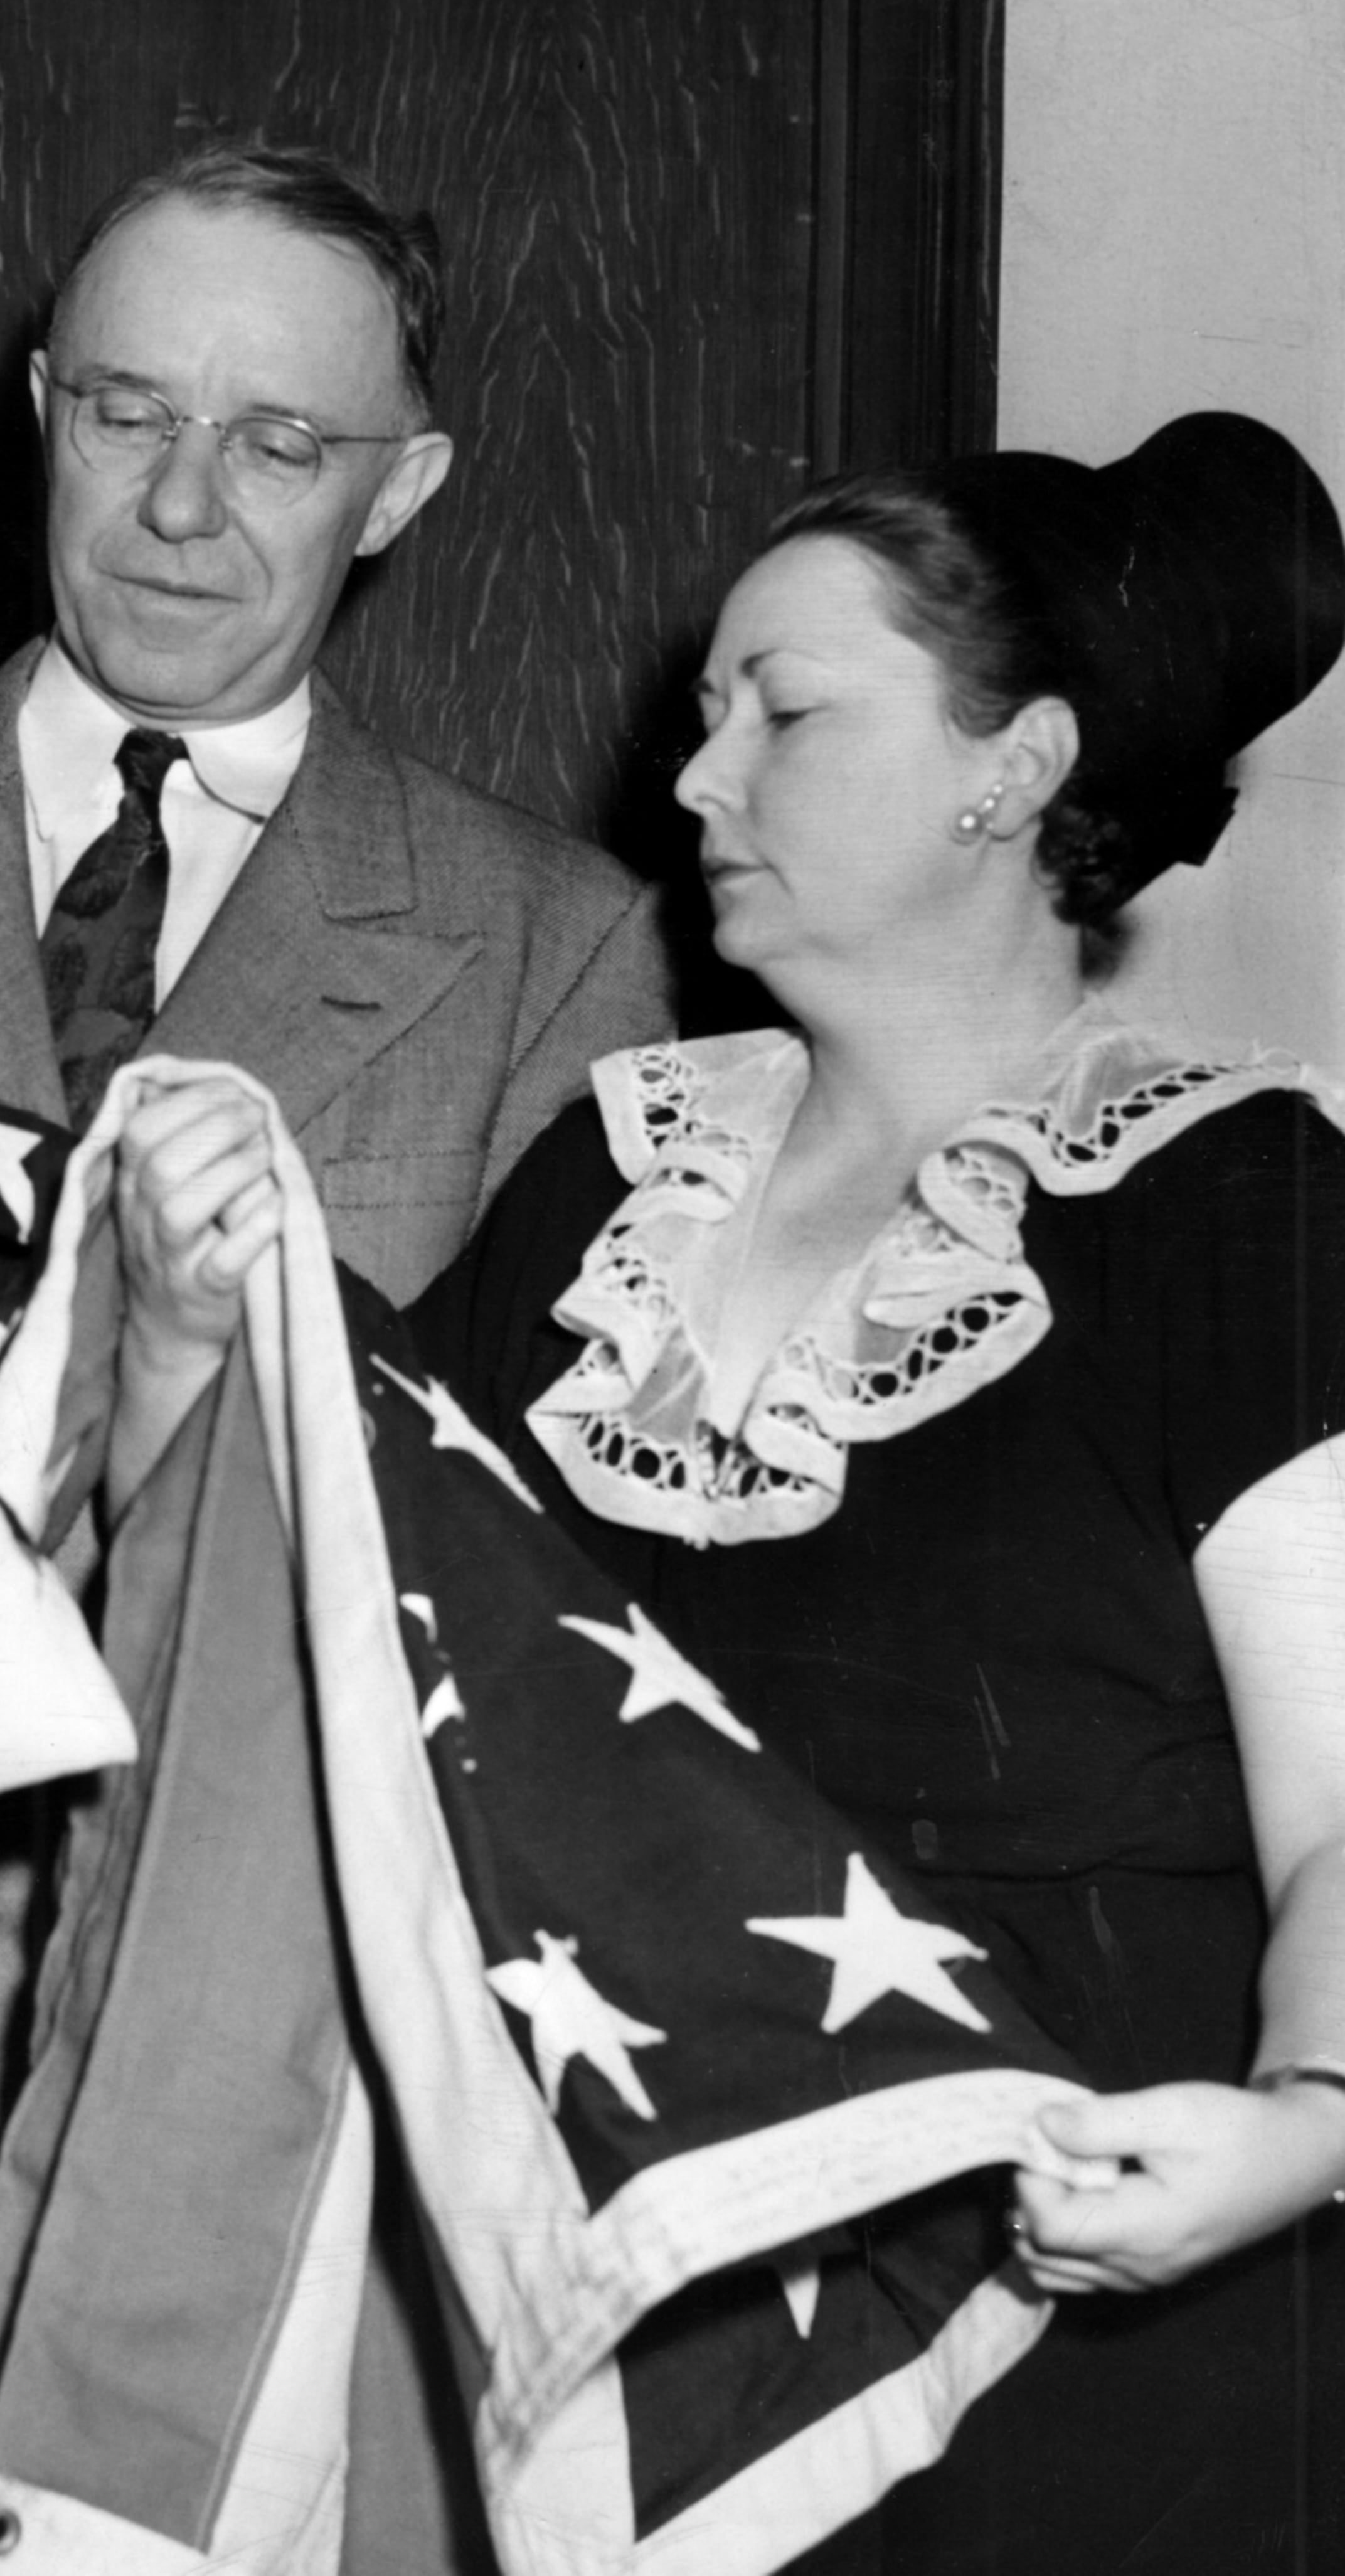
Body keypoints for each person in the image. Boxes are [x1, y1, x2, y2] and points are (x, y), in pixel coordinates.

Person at [0, 142, 670, 2567]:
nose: (184, 507)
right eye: (123, 412)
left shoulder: (553, 951)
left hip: (244, 2159)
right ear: (34, 411)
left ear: (402, 489)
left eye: (280, 445)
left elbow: (515, 1636)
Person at [386, 410, 1345, 2571]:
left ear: (1012, 771)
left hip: (1083, 2347)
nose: (694, 778)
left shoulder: (1237, 1208)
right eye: (709, 711)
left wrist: (1303, 2132)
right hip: (643, 2326)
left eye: (785, 712)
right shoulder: (612, 1172)